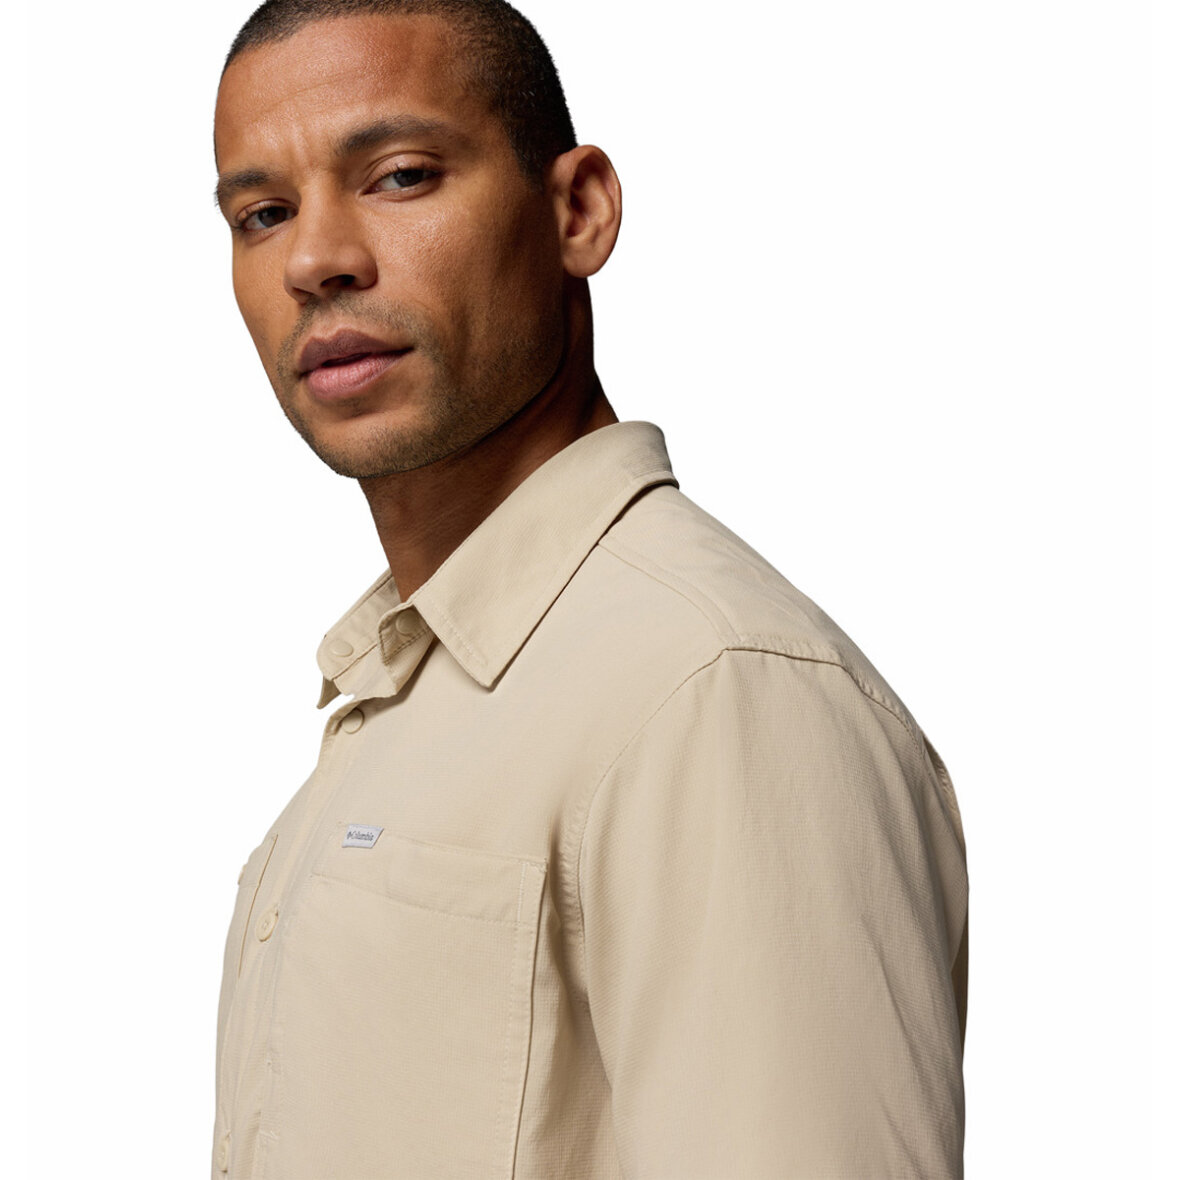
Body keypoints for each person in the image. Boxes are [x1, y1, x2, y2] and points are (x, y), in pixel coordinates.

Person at [211, 1, 969, 1175]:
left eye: (401, 176)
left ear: (578, 210)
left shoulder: (712, 691)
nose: (314, 260)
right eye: (263, 213)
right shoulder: (412, 699)